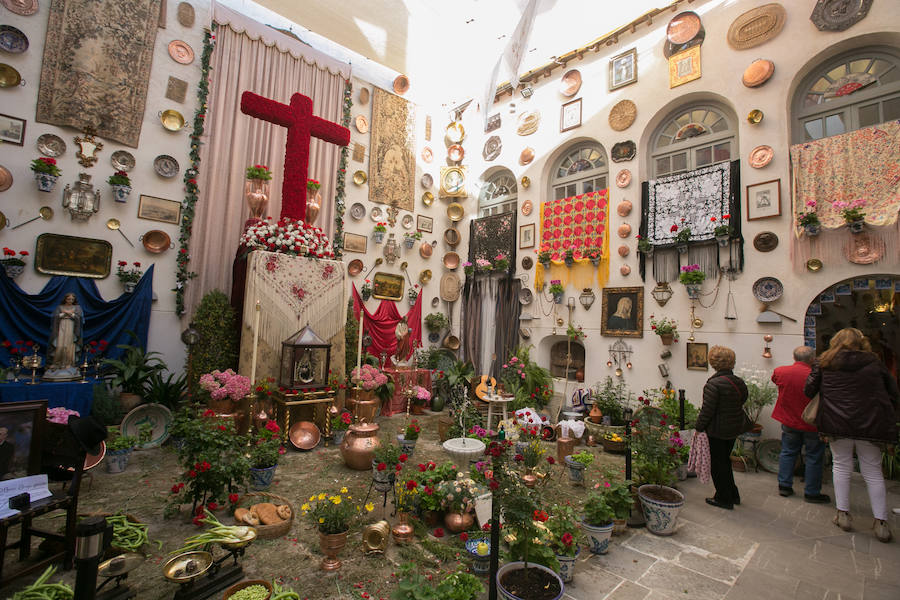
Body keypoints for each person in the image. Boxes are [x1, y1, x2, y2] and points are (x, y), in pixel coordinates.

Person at [804, 328, 898, 543]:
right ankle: (880, 522)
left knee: (841, 465)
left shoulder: (825, 362)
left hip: (837, 421)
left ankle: (843, 514)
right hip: (870, 422)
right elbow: (893, 392)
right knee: (873, 471)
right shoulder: (874, 362)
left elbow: (809, 390)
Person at [771, 346, 829, 503]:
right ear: (812, 359)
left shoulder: (781, 371)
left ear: (794, 357)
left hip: (789, 420)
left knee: (788, 452)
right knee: (814, 456)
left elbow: (775, 380)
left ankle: (784, 485)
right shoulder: (817, 375)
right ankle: (811, 491)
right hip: (811, 422)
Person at [695, 345, 749, 510]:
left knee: (718, 464)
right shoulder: (738, 382)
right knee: (725, 461)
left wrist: (698, 427)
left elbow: (708, 410)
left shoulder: (714, 384)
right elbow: (743, 399)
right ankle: (733, 493)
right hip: (732, 428)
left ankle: (723, 498)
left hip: (717, 430)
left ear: (713, 362)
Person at [47, 293, 84, 370]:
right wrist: (63, 314)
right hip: (61, 327)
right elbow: (54, 317)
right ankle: (57, 363)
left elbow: (80, 319)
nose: (70, 301)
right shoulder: (60, 307)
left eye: (72, 299)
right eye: (68, 299)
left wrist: (71, 315)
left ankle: (69, 363)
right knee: (60, 345)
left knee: (69, 346)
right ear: (65, 299)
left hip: (71, 328)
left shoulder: (77, 308)